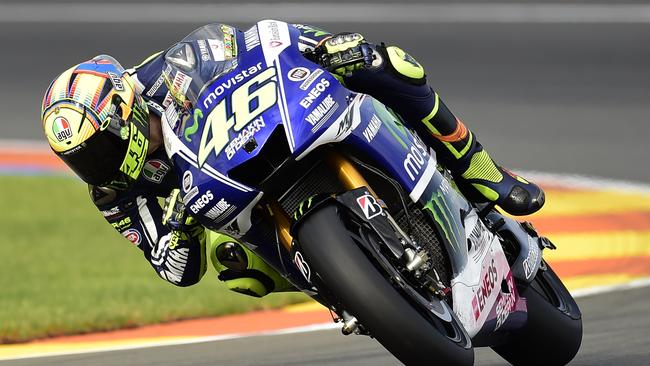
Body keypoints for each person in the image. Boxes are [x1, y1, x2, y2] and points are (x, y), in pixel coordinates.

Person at [40, 22, 544, 297]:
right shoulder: (112, 193)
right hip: (237, 206)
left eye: (98, 148)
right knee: (235, 269)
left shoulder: (161, 72)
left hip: (267, 128)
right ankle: (353, 294)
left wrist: (322, 46)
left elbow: (259, 42)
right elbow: (175, 270)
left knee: (384, 63)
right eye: (80, 160)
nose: (96, 167)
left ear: (124, 114)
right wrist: (180, 231)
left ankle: (480, 172)